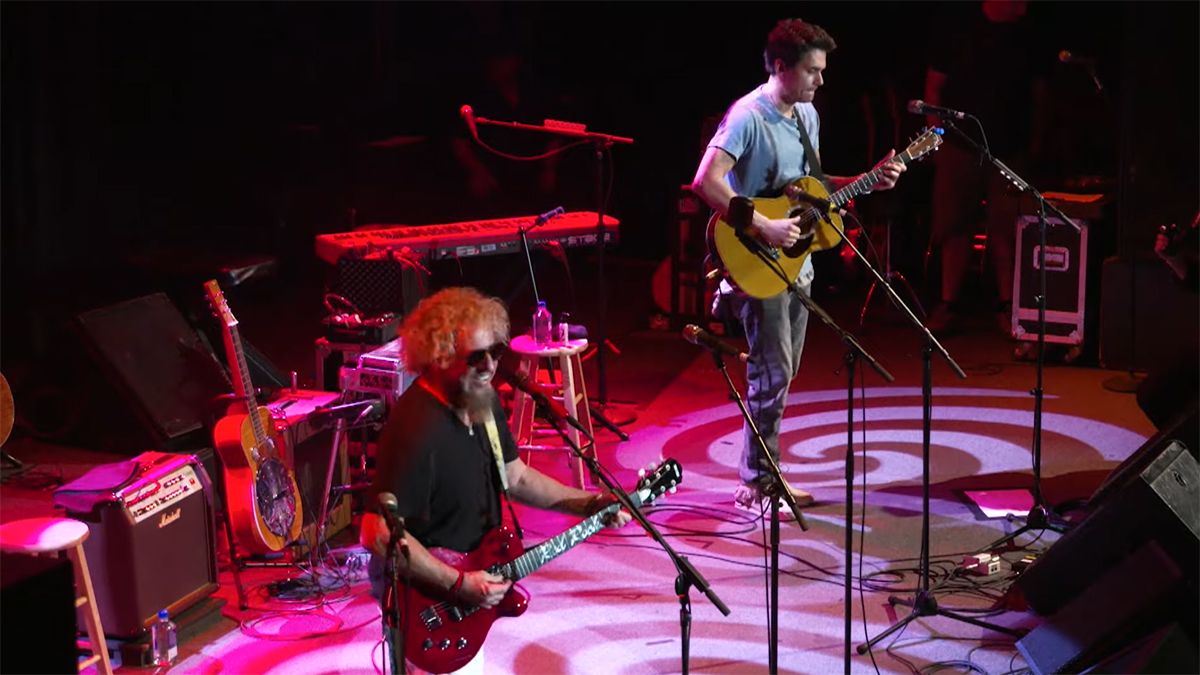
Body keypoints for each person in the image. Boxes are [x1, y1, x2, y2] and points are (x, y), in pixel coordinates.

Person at [690, 18, 905, 512]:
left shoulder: (807, 116)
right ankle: (757, 483)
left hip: (795, 263)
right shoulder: (748, 115)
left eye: (823, 71)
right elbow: (706, 181)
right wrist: (762, 226)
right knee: (773, 369)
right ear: (781, 67)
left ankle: (764, 474)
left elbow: (810, 187)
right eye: (812, 71)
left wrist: (867, 181)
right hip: (755, 256)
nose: (820, 81)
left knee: (780, 373)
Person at [359, 287, 630, 673]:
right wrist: (458, 585)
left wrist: (589, 504)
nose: (489, 365)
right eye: (476, 356)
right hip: (431, 599)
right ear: (439, 355)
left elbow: (515, 477)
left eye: (496, 352)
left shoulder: (478, 400)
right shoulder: (416, 429)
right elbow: (376, 532)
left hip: (473, 582)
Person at [923, 0, 1048, 334]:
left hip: (1010, 149)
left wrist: (1034, 142)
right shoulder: (959, 27)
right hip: (960, 145)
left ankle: (1009, 306)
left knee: (1008, 229)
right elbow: (934, 85)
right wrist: (937, 135)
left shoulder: (1027, 36)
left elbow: (1038, 93)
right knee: (953, 226)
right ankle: (949, 304)